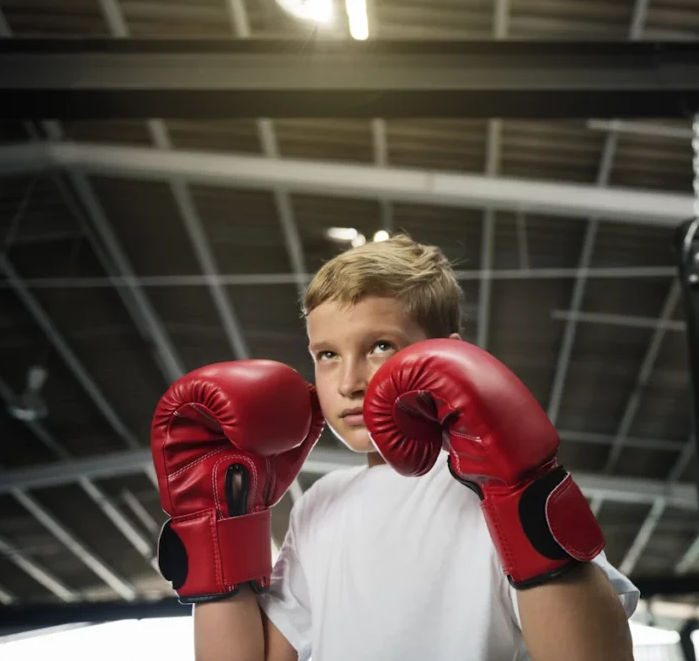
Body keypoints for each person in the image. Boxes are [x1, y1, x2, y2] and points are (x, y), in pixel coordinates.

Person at [150, 234, 640, 661]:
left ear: (447, 354)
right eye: (327, 354)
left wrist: (521, 490)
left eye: (380, 346)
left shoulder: (489, 484)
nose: (349, 382)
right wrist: (214, 525)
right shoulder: (321, 503)